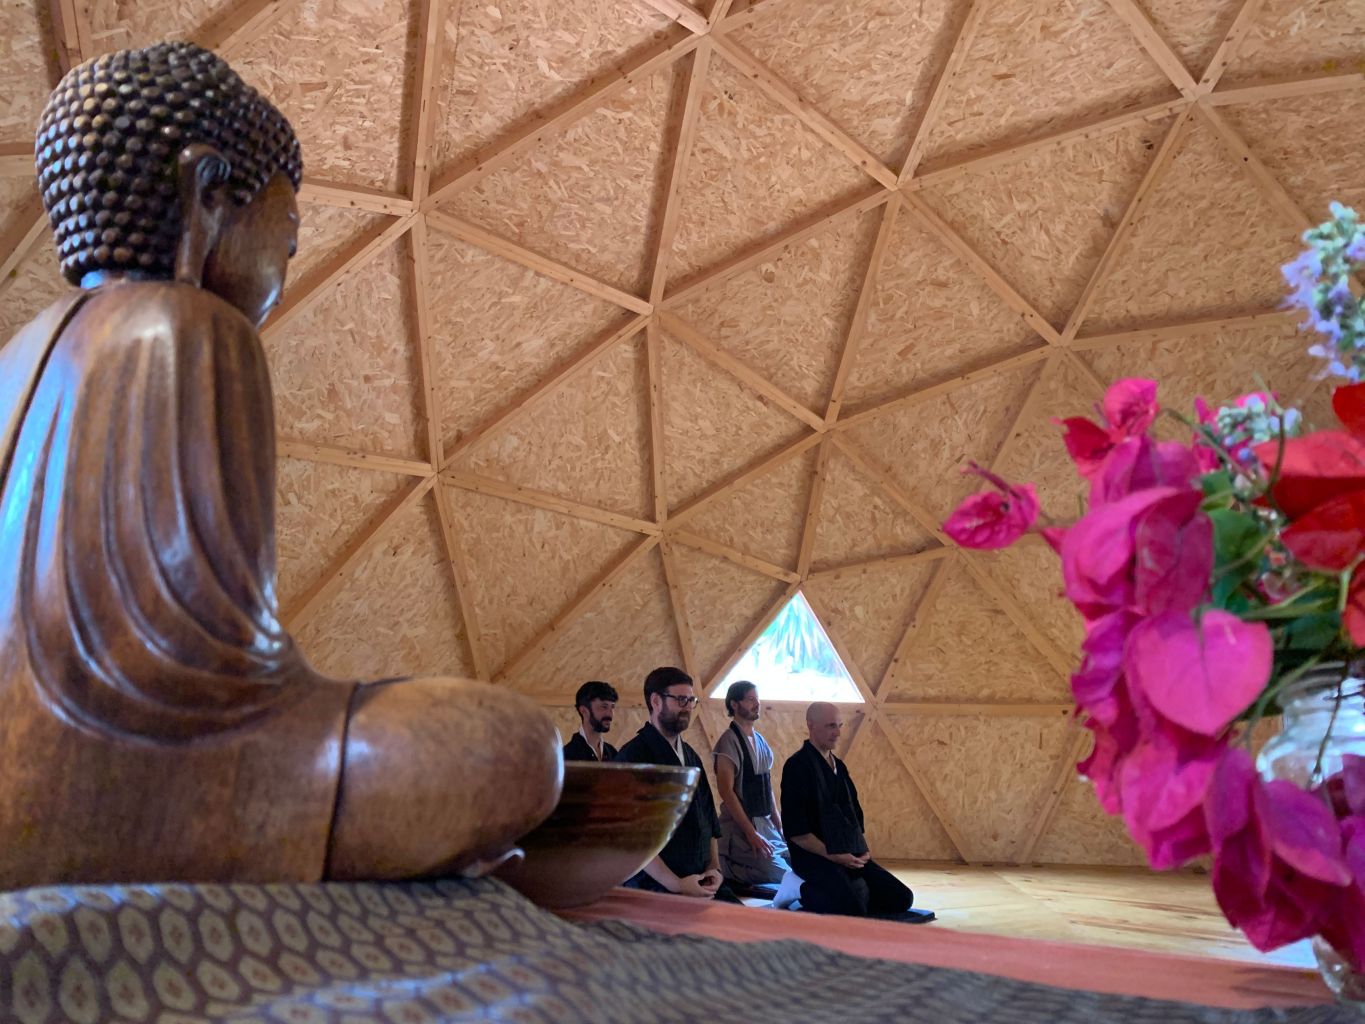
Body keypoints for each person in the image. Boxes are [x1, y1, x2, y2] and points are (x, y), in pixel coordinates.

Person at [0, 42, 561, 888]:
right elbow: (216, 686)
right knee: (513, 748)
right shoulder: (190, 329)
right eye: (287, 237)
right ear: (208, 193)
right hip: (162, 786)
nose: (284, 267)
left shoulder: (14, 358)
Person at [780, 702, 933, 922]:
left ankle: (855, 891)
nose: (837, 733)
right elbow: (797, 832)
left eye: (839, 725)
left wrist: (862, 850)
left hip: (846, 852)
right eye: (831, 726)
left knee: (901, 898)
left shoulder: (839, 767)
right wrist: (833, 855)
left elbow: (853, 814)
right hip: (814, 856)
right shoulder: (796, 767)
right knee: (852, 909)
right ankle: (797, 887)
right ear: (811, 725)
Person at [614, 667, 739, 902]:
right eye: (680, 700)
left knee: (742, 919)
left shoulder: (691, 756)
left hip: (701, 878)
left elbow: (709, 821)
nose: (688, 707)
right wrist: (676, 884)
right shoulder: (632, 757)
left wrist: (714, 868)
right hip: (655, 884)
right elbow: (632, 838)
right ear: (655, 701)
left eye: (691, 700)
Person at [712, 681, 789, 887]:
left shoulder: (760, 740)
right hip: (740, 831)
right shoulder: (728, 742)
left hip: (767, 828)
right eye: (750, 699)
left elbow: (766, 787)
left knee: (803, 863)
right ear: (734, 704)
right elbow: (726, 791)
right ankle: (726, 867)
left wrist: (780, 826)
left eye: (757, 699)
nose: (757, 704)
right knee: (783, 875)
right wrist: (750, 833)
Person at [563, 681, 618, 762]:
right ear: (584, 711)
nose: (610, 714)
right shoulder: (567, 756)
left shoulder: (613, 754)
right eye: (604, 707)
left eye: (612, 707)